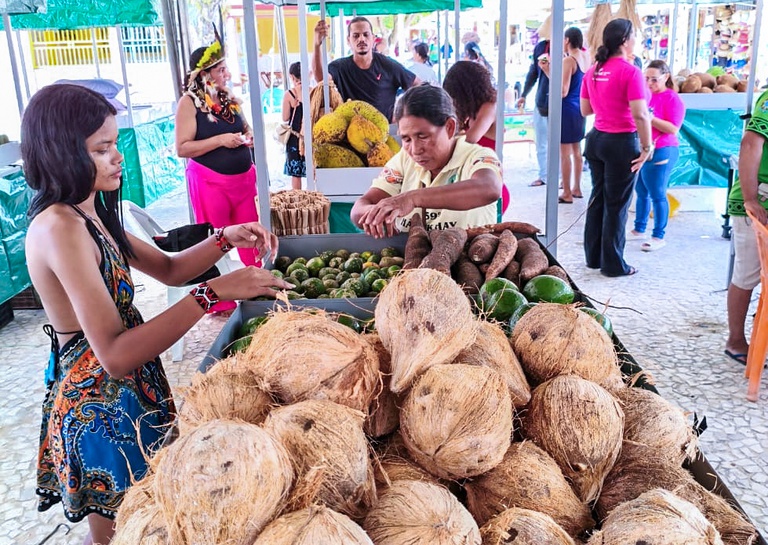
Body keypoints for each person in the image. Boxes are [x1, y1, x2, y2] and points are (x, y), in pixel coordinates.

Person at [24, 84, 290, 545]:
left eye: (115, 144)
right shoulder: (59, 227)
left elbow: (169, 268)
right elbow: (114, 354)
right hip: (98, 410)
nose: (117, 158)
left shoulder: (90, 214)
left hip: (128, 397)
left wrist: (225, 238)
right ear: (61, 151)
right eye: (101, 149)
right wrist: (213, 293)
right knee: (126, 531)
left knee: (151, 518)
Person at [350, 84, 502, 237]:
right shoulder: (404, 160)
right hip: (412, 259)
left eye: (423, 136)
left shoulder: (476, 156)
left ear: (449, 127)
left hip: (471, 258)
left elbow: (489, 188)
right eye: (406, 139)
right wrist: (377, 213)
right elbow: (358, 210)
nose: (415, 150)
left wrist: (412, 198)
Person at [175, 40, 261, 267]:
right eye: (221, 70)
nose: (227, 74)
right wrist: (220, 140)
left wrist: (249, 135)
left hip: (244, 183)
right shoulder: (189, 103)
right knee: (215, 242)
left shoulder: (227, 97)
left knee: (251, 236)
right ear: (204, 74)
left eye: (226, 68)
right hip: (210, 183)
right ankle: (220, 296)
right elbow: (182, 148)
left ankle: (258, 287)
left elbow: (245, 127)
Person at [580, 18, 653, 277]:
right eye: (634, 35)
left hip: (596, 139)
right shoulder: (630, 71)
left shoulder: (594, 70)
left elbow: (585, 109)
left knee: (598, 199)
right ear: (624, 40)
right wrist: (647, 146)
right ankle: (613, 265)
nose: (636, 40)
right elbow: (641, 115)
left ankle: (594, 258)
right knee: (616, 205)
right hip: (621, 142)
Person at [724, 87, 768, 365]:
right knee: (748, 273)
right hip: (756, 201)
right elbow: (750, 144)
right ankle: (735, 340)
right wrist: (751, 198)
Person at [313, 17, 419, 121]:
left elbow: (418, 84)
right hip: (350, 134)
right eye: (356, 36)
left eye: (366, 34)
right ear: (348, 40)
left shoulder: (387, 65)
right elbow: (321, 80)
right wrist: (317, 46)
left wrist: (404, 114)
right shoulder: (340, 67)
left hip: (384, 134)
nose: (362, 39)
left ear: (373, 38)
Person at [442, 60, 511, 214]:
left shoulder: (491, 106)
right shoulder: (471, 111)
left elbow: (470, 139)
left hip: (489, 188)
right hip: (471, 186)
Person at [630, 60, 685, 251]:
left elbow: (673, 128)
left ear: (666, 77)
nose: (650, 83)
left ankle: (658, 235)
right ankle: (639, 229)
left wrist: (650, 118)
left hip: (663, 148)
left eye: (654, 79)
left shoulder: (672, 99)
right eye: (646, 79)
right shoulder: (645, 96)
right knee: (641, 190)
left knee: (657, 193)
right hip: (643, 148)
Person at [538, 27, 590, 203]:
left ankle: (567, 192)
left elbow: (562, 91)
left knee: (564, 152)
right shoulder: (585, 57)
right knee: (577, 150)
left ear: (567, 40)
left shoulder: (569, 60)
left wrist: (547, 71)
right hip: (580, 107)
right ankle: (577, 187)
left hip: (566, 109)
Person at [517, 32, 550, 187]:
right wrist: (524, 94)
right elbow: (534, 72)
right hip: (543, 100)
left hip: (564, 102)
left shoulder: (571, 51)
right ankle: (545, 175)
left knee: (564, 145)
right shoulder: (542, 48)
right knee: (542, 142)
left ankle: (564, 178)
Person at [281, 61, 306, 190]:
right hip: (309, 135)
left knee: (296, 174)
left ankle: (299, 201)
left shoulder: (289, 95)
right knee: (313, 169)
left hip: (294, 138)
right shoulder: (312, 91)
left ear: (291, 76)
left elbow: (285, 118)